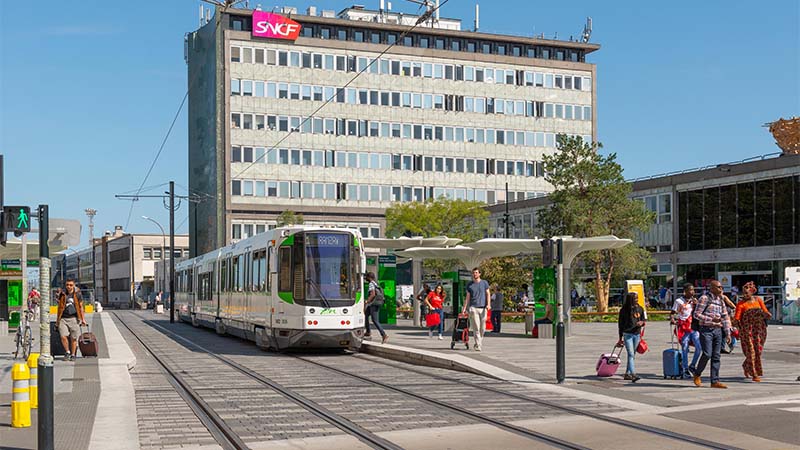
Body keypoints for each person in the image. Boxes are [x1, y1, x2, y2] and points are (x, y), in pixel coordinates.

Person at [692, 279, 733, 389]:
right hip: (706, 329)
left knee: (716, 356)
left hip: (718, 331)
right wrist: (711, 319)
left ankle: (714, 381)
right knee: (707, 354)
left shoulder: (721, 300)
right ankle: (697, 373)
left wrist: (728, 333)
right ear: (712, 288)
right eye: (718, 287)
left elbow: (725, 317)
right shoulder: (704, 298)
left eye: (721, 287)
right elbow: (697, 314)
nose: (721, 289)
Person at [734, 281, 771, 382]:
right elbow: (736, 318)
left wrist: (767, 314)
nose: (745, 294)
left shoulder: (758, 300)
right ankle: (754, 374)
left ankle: (746, 365)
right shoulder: (740, 304)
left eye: (747, 292)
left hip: (759, 329)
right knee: (751, 351)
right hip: (747, 330)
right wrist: (737, 327)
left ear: (752, 292)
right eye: (743, 293)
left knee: (758, 351)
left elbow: (765, 311)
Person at [671, 283, 702, 378]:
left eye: (693, 290)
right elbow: (673, 312)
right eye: (690, 290)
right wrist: (673, 319)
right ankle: (685, 369)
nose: (692, 292)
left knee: (699, 347)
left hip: (693, 327)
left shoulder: (694, 301)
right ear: (685, 291)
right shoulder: (679, 301)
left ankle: (692, 365)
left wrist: (697, 305)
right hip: (683, 328)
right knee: (685, 348)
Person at [617, 292, 646, 382]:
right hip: (627, 334)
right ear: (630, 300)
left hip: (637, 334)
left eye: (637, 298)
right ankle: (633, 374)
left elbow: (643, 319)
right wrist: (620, 338)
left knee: (633, 354)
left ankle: (627, 373)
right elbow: (620, 324)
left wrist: (642, 322)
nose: (636, 300)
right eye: (634, 299)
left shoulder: (640, 308)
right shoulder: (624, 310)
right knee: (631, 354)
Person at [57, 278, 87, 361]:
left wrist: (83, 319)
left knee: (73, 338)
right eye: (67, 285)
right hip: (63, 318)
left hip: (74, 318)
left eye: (70, 285)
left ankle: (73, 354)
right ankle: (67, 352)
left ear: (74, 285)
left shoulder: (77, 294)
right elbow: (59, 305)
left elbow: (81, 307)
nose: (69, 287)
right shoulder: (62, 293)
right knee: (63, 336)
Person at [461, 267, 490, 351]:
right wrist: (464, 308)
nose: (475, 274)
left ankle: (479, 341)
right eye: (473, 273)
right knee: (476, 327)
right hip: (473, 308)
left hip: (483, 308)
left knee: (483, 328)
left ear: (479, 274)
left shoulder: (484, 283)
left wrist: (488, 304)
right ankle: (478, 344)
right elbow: (467, 298)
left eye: (476, 272)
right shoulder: (470, 284)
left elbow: (488, 293)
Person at [364, 272, 388, 344]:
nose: (365, 279)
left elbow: (373, 294)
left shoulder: (371, 284)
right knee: (366, 314)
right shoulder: (376, 283)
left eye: (366, 277)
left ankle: (384, 334)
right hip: (376, 303)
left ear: (369, 277)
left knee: (375, 320)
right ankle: (368, 331)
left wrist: (367, 301)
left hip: (373, 304)